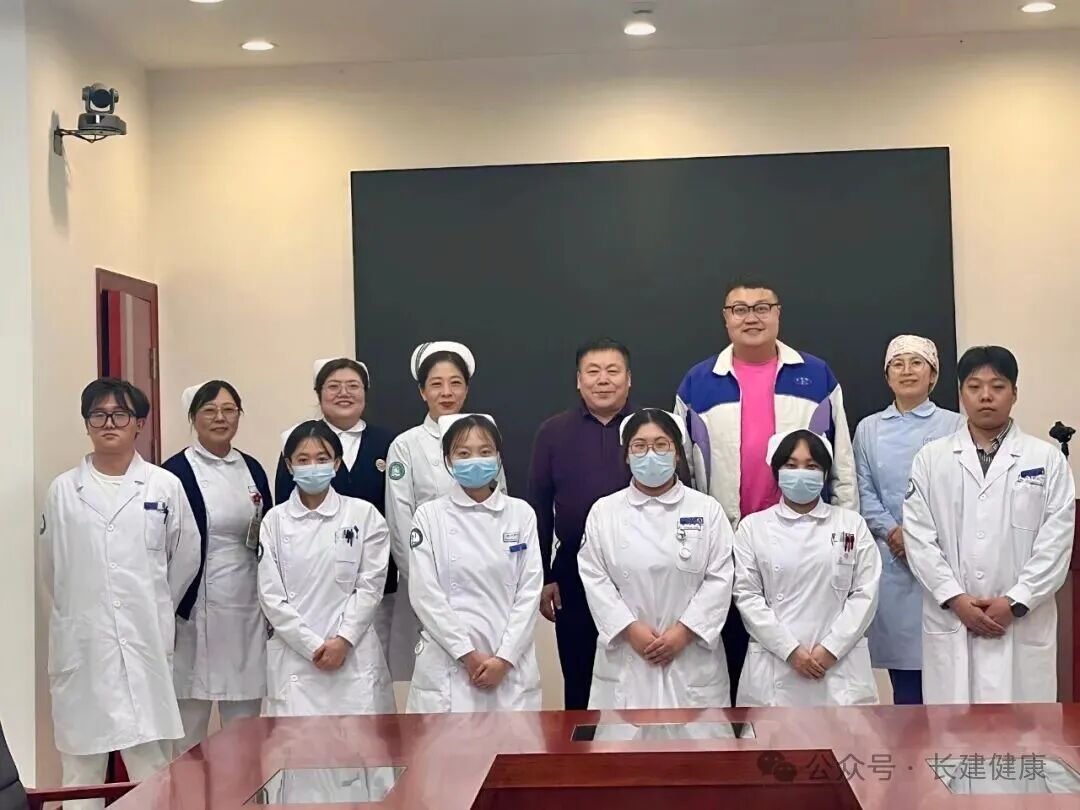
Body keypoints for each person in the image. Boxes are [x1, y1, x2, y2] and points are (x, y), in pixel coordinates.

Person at [674, 277, 858, 703]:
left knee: (803, 652)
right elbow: (682, 469)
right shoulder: (699, 382)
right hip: (726, 540)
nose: (751, 317)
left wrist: (847, 539)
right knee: (735, 655)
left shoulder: (816, 375)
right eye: (739, 309)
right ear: (726, 319)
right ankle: (741, 741)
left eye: (762, 307)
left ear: (778, 314)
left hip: (807, 540)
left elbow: (842, 463)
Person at [38, 378, 200, 808]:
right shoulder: (63, 491)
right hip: (84, 649)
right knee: (81, 773)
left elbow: (185, 558)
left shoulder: (164, 486)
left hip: (144, 646)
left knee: (151, 769)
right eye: (98, 415)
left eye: (120, 414)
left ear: (139, 423)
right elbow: (53, 570)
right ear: (86, 424)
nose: (109, 423)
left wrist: (150, 608)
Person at [904, 346, 1076, 704]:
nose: (986, 396)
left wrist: (1016, 601)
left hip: (1022, 622)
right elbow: (919, 539)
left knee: (1023, 733)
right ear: (960, 393)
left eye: (997, 386)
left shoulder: (1046, 460)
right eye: (974, 386)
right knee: (954, 733)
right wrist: (956, 599)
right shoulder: (931, 459)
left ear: (1014, 393)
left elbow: (1056, 543)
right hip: (953, 619)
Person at [578, 408, 734, 709]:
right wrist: (630, 629)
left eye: (661, 445)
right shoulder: (604, 512)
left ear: (677, 454)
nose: (650, 454)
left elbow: (720, 577)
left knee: (697, 738)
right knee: (626, 738)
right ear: (627, 456)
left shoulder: (707, 510)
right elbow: (595, 578)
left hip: (691, 655)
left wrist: (684, 632)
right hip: (628, 654)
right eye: (639, 446)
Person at [163, 380, 274, 753]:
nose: (220, 418)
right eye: (209, 410)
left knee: (244, 730)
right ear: (193, 417)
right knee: (187, 727)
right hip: (191, 611)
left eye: (229, 410)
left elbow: (267, 535)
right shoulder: (174, 472)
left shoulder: (252, 468)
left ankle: (242, 789)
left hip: (246, 609)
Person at [853, 336, 964, 706]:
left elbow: (960, 489)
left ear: (933, 374)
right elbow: (863, 489)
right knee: (906, 682)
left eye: (917, 363)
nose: (907, 371)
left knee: (947, 670)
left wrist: (919, 538)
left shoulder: (955, 425)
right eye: (897, 364)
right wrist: (892, 531)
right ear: (887, 376)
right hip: (892, 559)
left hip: (942, 555)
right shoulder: (868, 428)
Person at [733, 429, 880, 707]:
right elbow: (747, 596)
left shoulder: (851, 524)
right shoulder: (752, 528)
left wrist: (831, 648)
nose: (801, 473)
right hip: (776, 666)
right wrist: (790, 650)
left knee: (844, 736)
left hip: (839, 667)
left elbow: (866, 592)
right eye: (791, 465)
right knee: (775, 736)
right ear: (776, 472)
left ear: (825, 473)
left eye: (811, 466)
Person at [385, 342, 505, 680]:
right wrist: (425, 587)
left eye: (455, 383)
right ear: (422, 391)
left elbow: (502, 506)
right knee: (437, 677)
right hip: (430, 583)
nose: (447, 392)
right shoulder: (405, 446)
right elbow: (400, 524)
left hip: (485, 582)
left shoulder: (486, 437)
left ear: (467, 388)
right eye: (436, 384)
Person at [406, 415, 542, 713]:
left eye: (485, 451)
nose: (475, 461)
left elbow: (529, 593)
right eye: (464, 453)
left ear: (498, 457)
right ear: (448, 461)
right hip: (449, 665)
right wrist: (466, 653)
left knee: (511, 742)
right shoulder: (429, 516)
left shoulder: (521, 514)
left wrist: (504, 658)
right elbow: (425, 594)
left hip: (509, 665)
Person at [258, 421, 394, 716]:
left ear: (336, 463)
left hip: (353, 655)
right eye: (303, 459)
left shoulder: (364, 515)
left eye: (322, 458)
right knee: (297, 742)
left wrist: (343, 640)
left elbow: (370, 587)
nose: (313, 467)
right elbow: (271, 596)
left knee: (359, 740)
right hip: (296, 659)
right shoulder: (274, 521)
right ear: (289, 466)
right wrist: (311, 645)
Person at [527, 338, 633, 710]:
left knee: (638, 674)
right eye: (593, 371)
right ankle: (582, 747)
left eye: (612, 371)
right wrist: (545, 577)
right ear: (578, 380)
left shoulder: (648, 429)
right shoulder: (553, 432)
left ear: (628, 379)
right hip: (573, 573)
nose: (603, 380)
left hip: (640, 571)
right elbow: (539, 507)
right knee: (579, 678)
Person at [274, 358, 398, 669]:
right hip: (311, 581)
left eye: (353, 386)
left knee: (369, 664)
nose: (344, 393)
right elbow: (284, 509)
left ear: (365, 393)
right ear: (318, 393)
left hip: (372, 580)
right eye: (334, 386)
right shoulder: (298, 442)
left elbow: (397, 507)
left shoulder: (388, 443)